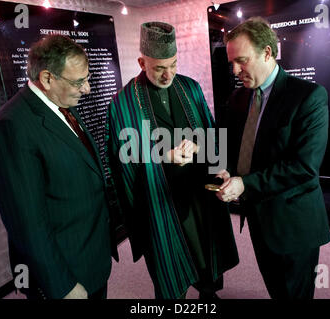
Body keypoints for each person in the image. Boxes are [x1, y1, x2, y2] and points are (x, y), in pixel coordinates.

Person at [107, 21, 239, 299]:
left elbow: (210, 131)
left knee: (206, 251)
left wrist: (211, 157)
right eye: (159, 68)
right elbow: (122, 156)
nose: (168, 75)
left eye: (173, 65)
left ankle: (208, 292)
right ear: (142, 62)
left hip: (198, 194)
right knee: (170, 265)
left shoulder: (189, 88)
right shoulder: (123, 102)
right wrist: (163, 155)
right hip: (159, 201)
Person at [0, 35, 116, 299]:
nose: (87, 89)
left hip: (90, 257)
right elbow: (26, 222)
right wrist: (62, 285)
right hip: (65, 275)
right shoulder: (11, 127)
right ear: (47, 79)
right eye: (79, 82)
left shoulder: (63, 104)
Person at [217, 17, 330, 299]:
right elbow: (230, 147)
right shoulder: (238, 98)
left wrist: (245, 184)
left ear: (267, 53)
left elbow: (303, 167)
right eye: (232, 62)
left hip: (293, 223)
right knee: (276, 289)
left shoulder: (309, 97)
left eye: (241, 61)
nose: (235, 70)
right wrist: (223, 170)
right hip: (258, 217)